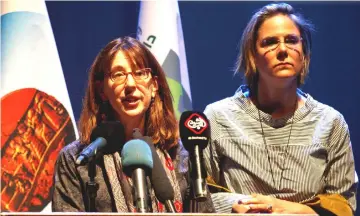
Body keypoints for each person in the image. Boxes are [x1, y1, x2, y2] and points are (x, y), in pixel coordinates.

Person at [203, 3, 357, 215]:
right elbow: (197, 195)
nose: (283, 50)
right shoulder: (218, 117)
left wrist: (296, 210)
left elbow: (343, 205)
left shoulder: (330, 122)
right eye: (270, 42)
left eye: (292, 40)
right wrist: (239, 204)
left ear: (304, 53)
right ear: (252, 56)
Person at [52, 36, 214, 212]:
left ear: (154, 86)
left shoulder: (180, 153)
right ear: (102, 91)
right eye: (118, 75)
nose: (130, 84)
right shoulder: (78, 159)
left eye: (139, 73)